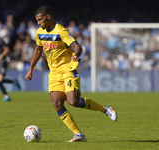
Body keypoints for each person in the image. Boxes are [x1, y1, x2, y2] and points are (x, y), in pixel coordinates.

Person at [25, 6, 117, 142]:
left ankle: (105, 109)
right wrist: (30, 69)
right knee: (57, 104)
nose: (38, 23)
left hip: (68, 70)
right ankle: (78, 134)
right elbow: (38, 50)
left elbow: (77, 46)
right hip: (54, 74)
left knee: (73, 101)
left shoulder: (60, 30)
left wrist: (76, 55)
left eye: (40, 20)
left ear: (48, 17)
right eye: (37, 20)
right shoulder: (39, 33)